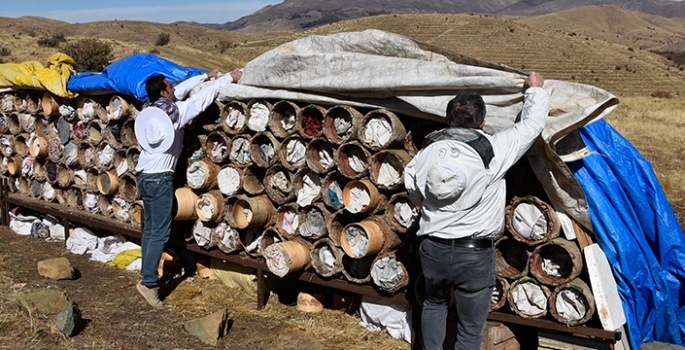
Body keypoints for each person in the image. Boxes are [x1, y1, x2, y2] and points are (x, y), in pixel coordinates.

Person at [403, 72, 549, 349]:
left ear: (448, 120)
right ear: (483, 123)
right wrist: (535, 91)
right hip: (474, 254)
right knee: (470, 330)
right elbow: (532, 124)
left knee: (433, 304)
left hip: (433, 247)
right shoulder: (493, 149)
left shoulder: (426, 151)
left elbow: (413, 190)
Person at [134, 68, 242, 308]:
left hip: (144, 175)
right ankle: (148, 283)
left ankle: (147, 276)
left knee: (151, 230)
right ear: (163, 91)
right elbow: (198, 100)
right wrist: (227, 79)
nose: (174, 89)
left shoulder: (151, 110)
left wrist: (204, 76)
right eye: (169, 86)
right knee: (159, 232)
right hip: (160, 178)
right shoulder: (175, 113)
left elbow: (180, 91)